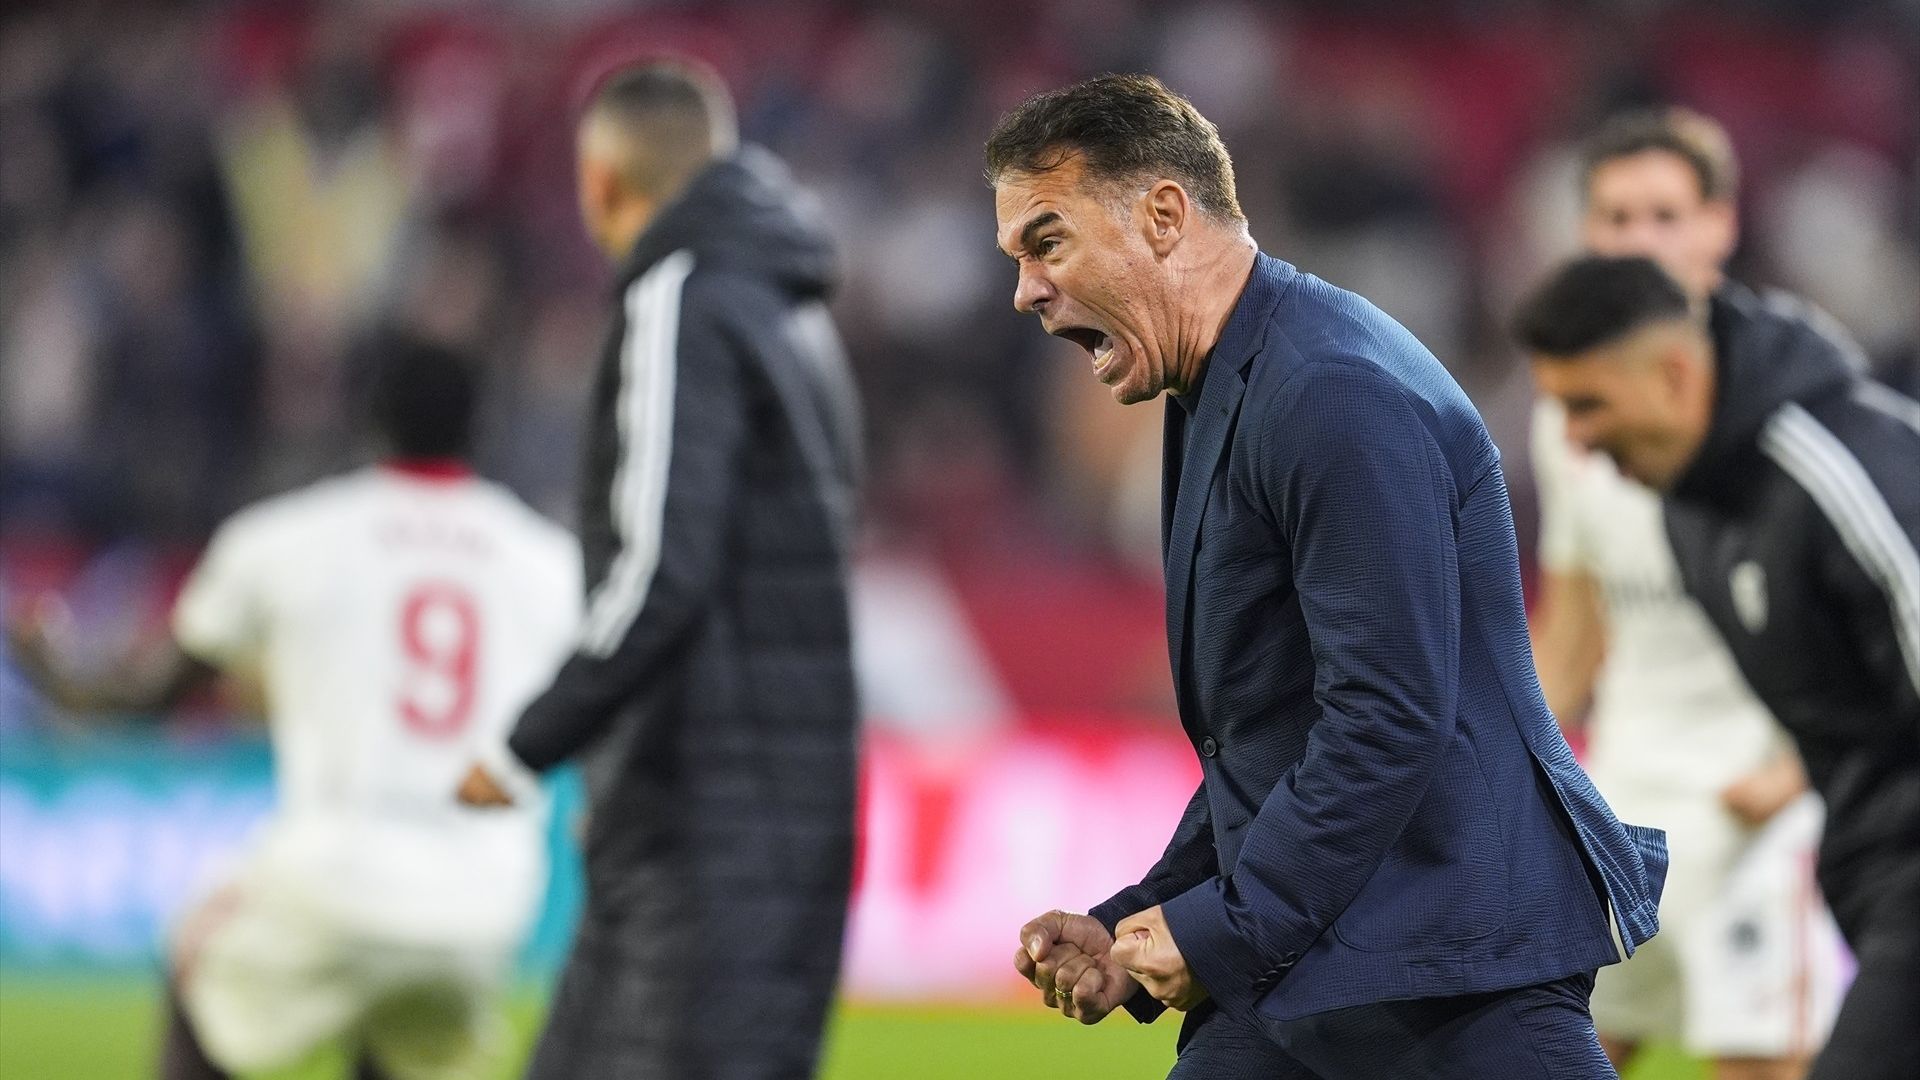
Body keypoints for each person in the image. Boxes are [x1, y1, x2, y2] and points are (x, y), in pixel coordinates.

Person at [987, 74, 1665, 1080]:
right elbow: (1268, 735)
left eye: (1048, 241)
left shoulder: (1331, 394)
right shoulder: (1229, 382)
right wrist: (1139, 925)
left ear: (1166, 217)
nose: (1025, 289)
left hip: (1446, 966)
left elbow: (1387, 717)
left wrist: (1221, 928)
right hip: (1331, 948)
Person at [8, 335, 581, 1080]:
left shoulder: (285, 538)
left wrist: (56, 673)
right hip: (486, 902)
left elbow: (147, 699)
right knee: (401, 1043)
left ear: (369, 426)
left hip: (332, 879)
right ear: (482, 431)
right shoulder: (548, 561)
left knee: (196, 960)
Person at [453, 60, 863, 1079]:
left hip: (702, 830)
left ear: (600, 183)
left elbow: (659, 570)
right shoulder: (796, 310)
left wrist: (527, 743)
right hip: (786, 810)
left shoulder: (682, 296)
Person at [1518, 254, 1920, 1080]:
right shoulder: (1688, 510)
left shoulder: (1842, 473)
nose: (1576, 441)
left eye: (1588, 404)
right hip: (1866, 867)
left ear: (1672, 372)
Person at [1528, 109, 1845, 1078]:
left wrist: (1800, 767)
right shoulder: (1571, 408)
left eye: (1665, 214)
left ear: (1721, 225)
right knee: (1558, 1054)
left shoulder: (1796, 396)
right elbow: (1575, 628)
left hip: (1758, 811)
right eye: (1616, 218)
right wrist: (1510, 770)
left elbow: (1863, 612)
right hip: (1621, 805)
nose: (1641, 241)